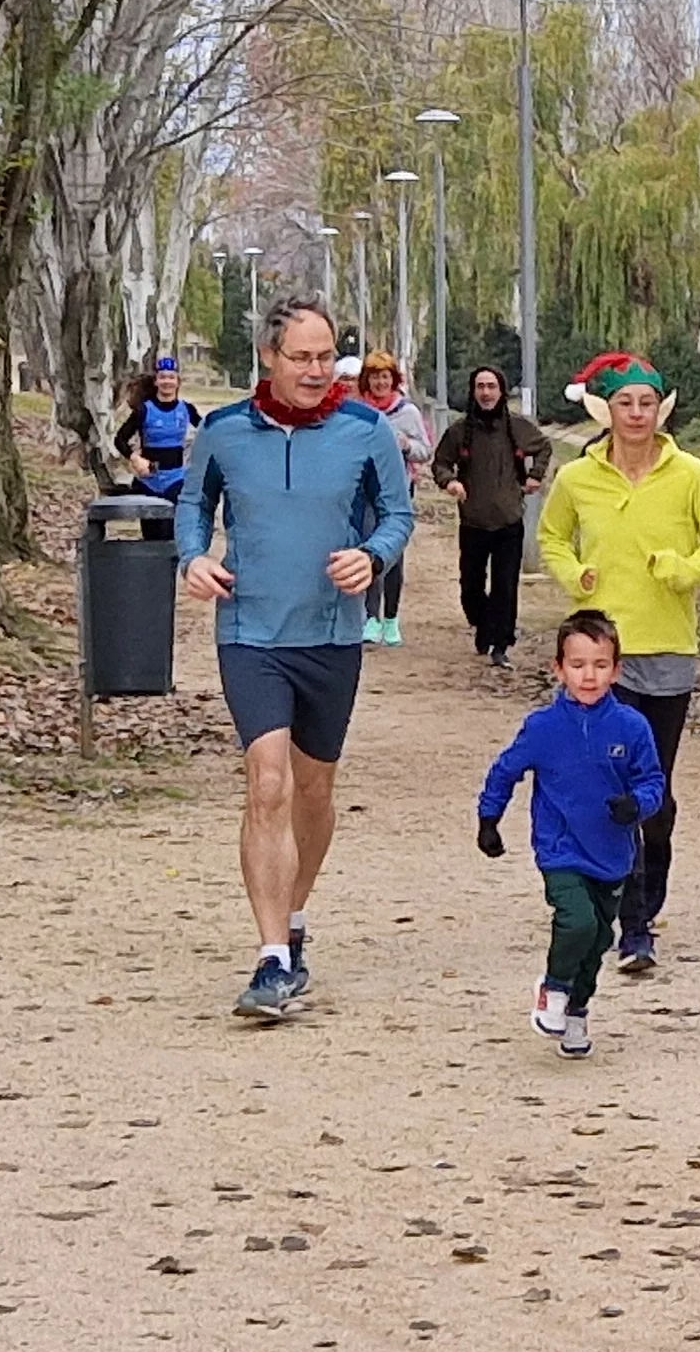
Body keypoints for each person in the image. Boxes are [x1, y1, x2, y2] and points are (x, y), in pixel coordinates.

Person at [174, 297, 413, 1021]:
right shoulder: (222, 432)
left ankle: (296, 913)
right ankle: (273, 957)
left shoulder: (365, 430)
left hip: (331, 634)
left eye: (326, 356)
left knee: (312, 791)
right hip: (249, 631)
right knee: (267, 784)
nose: (316, 370)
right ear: (269, 359)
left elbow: (399, 514)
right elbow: (193, 505)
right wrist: (193, 557)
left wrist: (372, 557)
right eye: (302, 357)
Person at [537, 352, 700, 978]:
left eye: (646, 404)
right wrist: (575, 575)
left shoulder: (690, 476)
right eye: (625, 403)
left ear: (661, 410)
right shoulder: (578, 478)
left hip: (669, 652)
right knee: (610, 786)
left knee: (654, 792)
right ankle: (630, 924)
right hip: (602, 656)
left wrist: (684, 570)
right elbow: (550, 538)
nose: (636, 414)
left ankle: (647, 899)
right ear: (605, 410)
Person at [475, 608, 666, 1059]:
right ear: (558, 669)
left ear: (617, 670)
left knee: (599, 938)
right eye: (577, 665)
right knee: (575, 921)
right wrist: (489, 818)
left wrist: (636, 804)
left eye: (600, 665)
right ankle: (554, 988)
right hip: (560, 848)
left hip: (613, 853)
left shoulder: (631, 727)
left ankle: (578, 1009)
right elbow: (506, 770)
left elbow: (654, 782)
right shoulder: (543, 728)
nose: (589, 676)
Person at [442, 365, 553, 669]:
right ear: (473, 391)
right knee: (471, 587)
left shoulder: (517, 427)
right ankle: (484, 625)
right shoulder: (459, 431)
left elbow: (543, 447)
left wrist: (535, 476)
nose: (486, 393)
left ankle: (500, 643)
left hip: (509, 520)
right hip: (474, 522)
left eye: (491, 386)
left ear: (501, 391)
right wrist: (451, 482)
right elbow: (441, 463)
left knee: (505, 585)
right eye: (480, 386)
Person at [355, 357, 434, 647]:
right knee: (369, 551)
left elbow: (425, 450)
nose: (380, 383)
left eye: (385, 377)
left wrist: (406, 445)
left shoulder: (408, 412)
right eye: (374, 377)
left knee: (394, 557)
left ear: (393, 380)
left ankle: (391, 618)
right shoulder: (358, 411)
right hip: (364, 493)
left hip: (398, 494)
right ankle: (371, 617)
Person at [119, 355, 199, 494]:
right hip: (147, 481)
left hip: (177, 480)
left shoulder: (187, 409)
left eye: (171, 377)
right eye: (162, 377)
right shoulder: (144, 410)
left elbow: (209, 430)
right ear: (156, 381)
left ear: (178, 382)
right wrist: (136, 459)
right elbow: (119, 440)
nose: (167, 381)